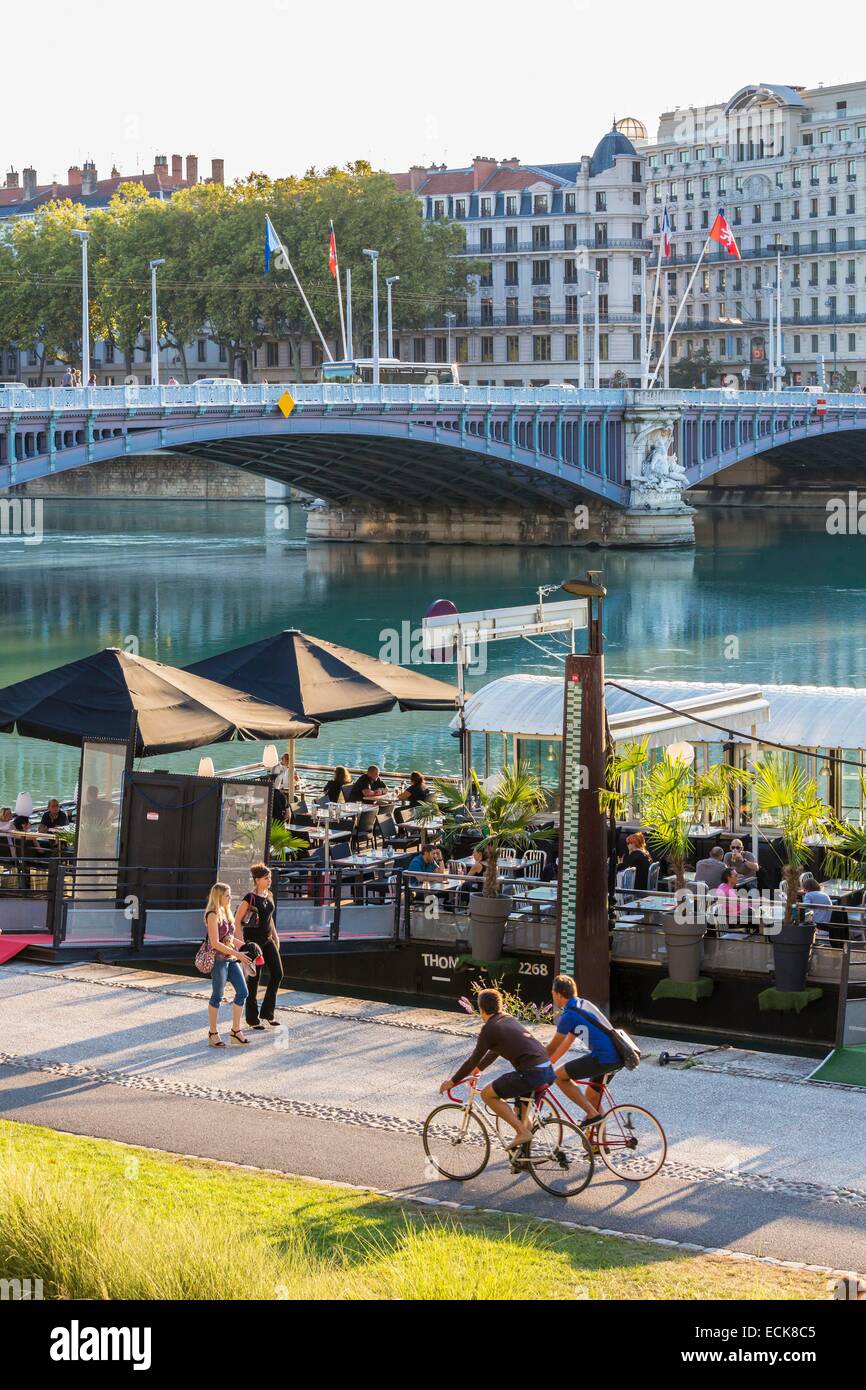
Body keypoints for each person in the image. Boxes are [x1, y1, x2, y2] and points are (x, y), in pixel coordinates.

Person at [439, 988, 555, 1149]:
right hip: (547, 1070)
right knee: (520, 1113)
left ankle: (522, 1132)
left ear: (482, 1009)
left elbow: (474, 1058)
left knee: (487, 1094)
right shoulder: (507, 1019)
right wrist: (478, 1069)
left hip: (531, 1073)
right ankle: (522, 1158)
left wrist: (452, 1081)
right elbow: (494, 1052)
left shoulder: (489, 1028)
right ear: (499, 1005)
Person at [545, 975, 621, 1122]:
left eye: (553, 994)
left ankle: (592, 1115)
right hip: (617, 1056)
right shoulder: (581, 1005)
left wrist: (539, 1063)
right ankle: (600, 1143)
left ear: (558, 994)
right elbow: (567, 1042)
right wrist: (550, 1062)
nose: (553, 997)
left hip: (603, 1058)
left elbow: (552, 1047)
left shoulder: (569, 1016)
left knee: (560, 1077)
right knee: (592, 1097)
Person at [234, 864, 283, 1030]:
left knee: (277, 974)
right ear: (257, 880)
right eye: (266, 878)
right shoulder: (249, 898)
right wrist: (242, 945)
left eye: (270, 878)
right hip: (253, 944)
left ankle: (267, 1014)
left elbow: (269, 918)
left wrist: (276, 936)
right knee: (254, 980)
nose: (269, 881)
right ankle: (252, 1019)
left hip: (268, 941)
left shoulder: (269, 895)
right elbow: (237, 922)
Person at [204, 882, 249, 1048]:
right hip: (218, 960)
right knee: (217, 996)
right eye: (227, 895)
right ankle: (213, 1033)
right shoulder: (212, 914)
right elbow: (215, 943)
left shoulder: (226, 912)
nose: (230, 897)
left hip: (230, 958)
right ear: (219, 896)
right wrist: (239, 954)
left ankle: (236, 1031)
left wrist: (245, 947)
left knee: (243, 992)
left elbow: (229, 938)